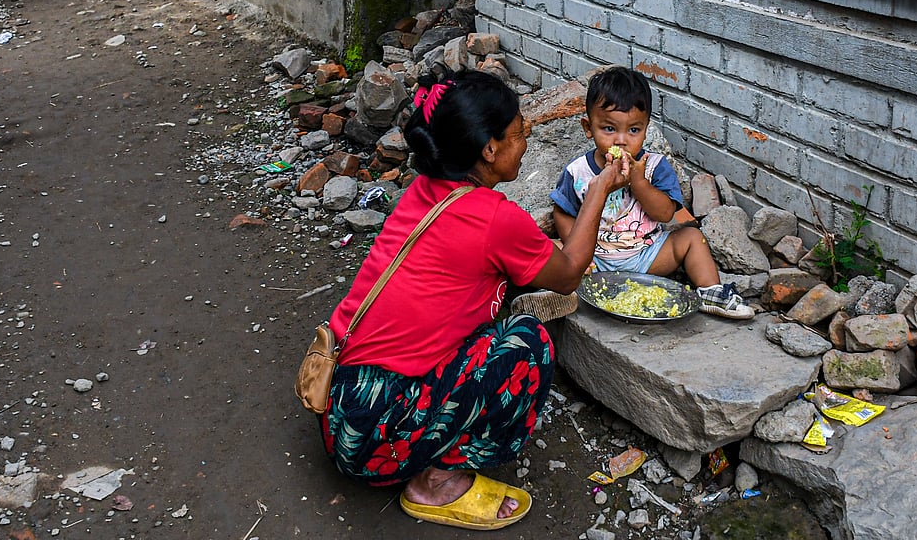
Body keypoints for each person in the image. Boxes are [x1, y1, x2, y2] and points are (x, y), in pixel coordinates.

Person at [320, 68, 629, 530]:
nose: (524, 143)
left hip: (339, 405)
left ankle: (420, 442)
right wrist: (601, 186)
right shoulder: (494, 218)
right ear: (489, 149)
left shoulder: (423, 191)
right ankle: (434, 482)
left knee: (492, 323)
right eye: (519, 134)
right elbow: (566, 275)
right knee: (528, 343)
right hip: (375, 439)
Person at [550, 67, 754, 319]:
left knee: (691, 238)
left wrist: (638, 181)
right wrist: (576, 255)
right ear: (588, 127)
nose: (621, 141)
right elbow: (562, 213)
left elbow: (666, 213)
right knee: (548, 250)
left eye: (634, 130)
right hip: (595, 259)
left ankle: (710, 292)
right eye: (609, 129)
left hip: (647, 255)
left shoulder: (655, 167)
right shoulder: (577, 172)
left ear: (646, 128)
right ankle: (559, 294)